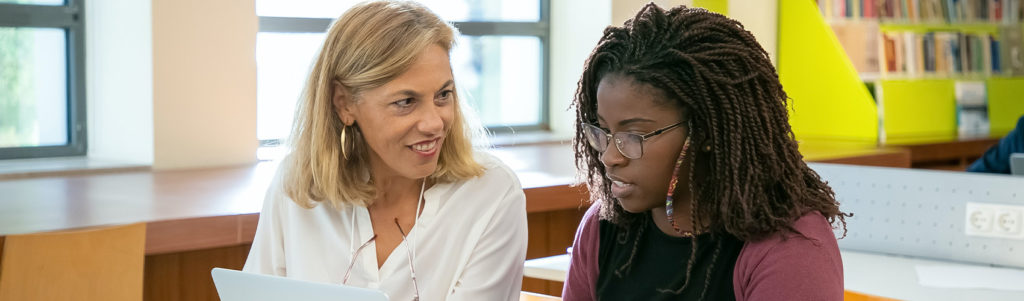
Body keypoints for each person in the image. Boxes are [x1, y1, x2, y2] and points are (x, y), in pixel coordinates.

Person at [562, 4, 848, 301]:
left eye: (633, 135)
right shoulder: (602, 227)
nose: (609, 156)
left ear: (706, 132)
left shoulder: (789, 248)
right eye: (602, 131)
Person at [243, 1, 527, 300]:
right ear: (344, 103)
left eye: (443, 95)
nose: (434, 123)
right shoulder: (297, 184)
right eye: (405, 102)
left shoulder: (491, 194)